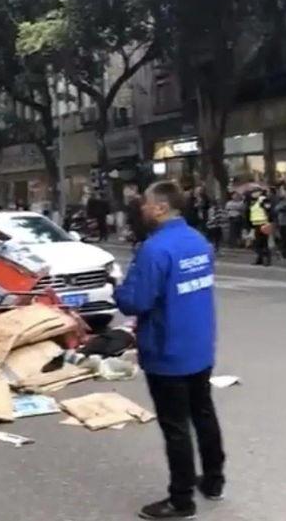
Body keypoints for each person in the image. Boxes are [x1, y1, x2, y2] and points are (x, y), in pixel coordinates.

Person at [115, 181, 225, 520]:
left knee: (175, 426)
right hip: (199, 344)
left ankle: (181, 500)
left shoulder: (154, 249)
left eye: (146, 203)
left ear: (161, 207)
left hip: (167, 350)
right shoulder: (198, 241)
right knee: (203, 413)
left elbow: (135, 301)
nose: (142, 208)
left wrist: (117, 286)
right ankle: (214, 480)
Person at [247, 189, 272, 266]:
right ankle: (259, 258)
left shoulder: (263, 199)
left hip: (264, 224)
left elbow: (269, 210)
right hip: (256, 224)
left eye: (255, 192)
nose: (253, 194)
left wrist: (269, 222)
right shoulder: (252, 202)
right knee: (258, 243)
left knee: (264, 243)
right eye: (252, 192)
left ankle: (266, 260)